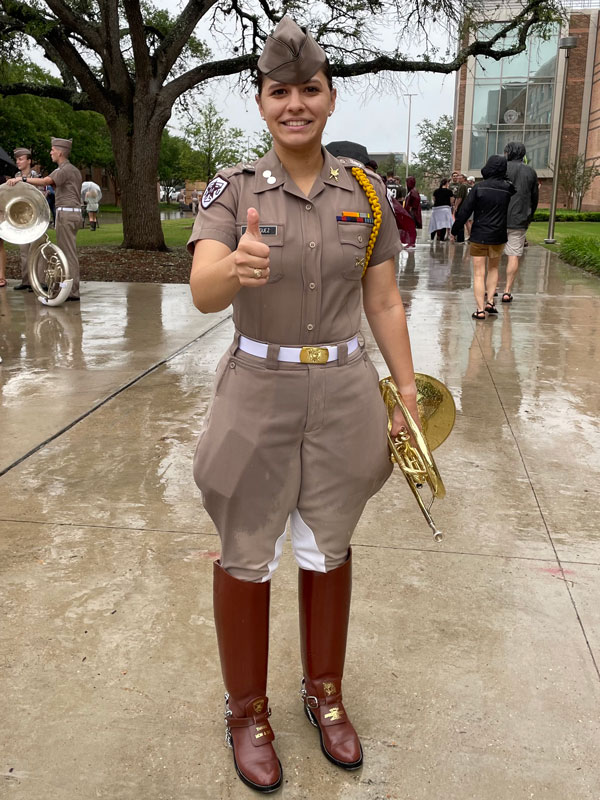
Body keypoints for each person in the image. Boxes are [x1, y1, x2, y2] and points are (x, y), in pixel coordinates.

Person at [188, 16, 420, 793]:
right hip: (258, 390)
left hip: (347, 392)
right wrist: (238, 269)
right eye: (278, 91)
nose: (295, 104)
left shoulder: (368, 193)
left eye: (308, 90)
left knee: (330, 546)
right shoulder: (235, 190)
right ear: (261, 103)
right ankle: (246, 709)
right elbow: (200, 289)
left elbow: (384, 301)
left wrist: (408, 390)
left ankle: (325, 693)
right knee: (247, 550)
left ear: (329, 98)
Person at [7, 137, 82, 301]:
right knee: (68, 253)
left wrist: (22, 179)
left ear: (60, 152)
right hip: (71, 213)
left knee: (68, 254)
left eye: (53, 150)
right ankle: (69, 288)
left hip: (66, 213)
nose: (50, 152)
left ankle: (72, 291)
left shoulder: (64, 169)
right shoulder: (72, 170)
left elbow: (46, 181)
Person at [451, 155, 516, 319]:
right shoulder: (507, 188)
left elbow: (465, 211)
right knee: (493, 269)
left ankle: (480, 310)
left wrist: (455, 228)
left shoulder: (479, 188)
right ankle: (490, 302)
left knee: (478, 273)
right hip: (498, 235)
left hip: (479, 234)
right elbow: (512, 190)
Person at [501, 142, 538, 303]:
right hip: (519, 218)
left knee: (494, 255)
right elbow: (534, 197)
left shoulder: (500, 168)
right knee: (514, 255)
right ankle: (507, 290)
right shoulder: (530, 172)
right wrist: (529, 216)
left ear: (508, 152)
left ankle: (492, 287)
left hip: (498, 218)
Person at [12, 148, 42, 291]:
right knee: (24, 250)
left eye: (21, 159)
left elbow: (43, 193)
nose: (18, 161)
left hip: (35, 217)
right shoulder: (15, 176)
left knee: (35, 249)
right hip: (21, 217)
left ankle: (38, 281)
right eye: (17, 159)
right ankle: (26, 281)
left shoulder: (36, 175)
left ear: (29, 161)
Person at [403, 175, 422, 250]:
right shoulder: (411, 191)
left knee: (411, 228)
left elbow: (416, 201)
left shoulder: (413, 192)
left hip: (412, 213)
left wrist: (411, 208)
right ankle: (410, 242)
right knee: (410, 228)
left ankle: (412, 242)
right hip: (410, 212)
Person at [451, 174, 468, 243]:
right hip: (466, 207)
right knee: (462, 223)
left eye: (460, 178)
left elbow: (459, 198)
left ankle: (459, 238)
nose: (458, 179)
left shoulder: (462, 186)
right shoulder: (467, 186)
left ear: (464, 179)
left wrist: (456, 206)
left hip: (461, 207)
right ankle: (459, 237)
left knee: (459, 222)